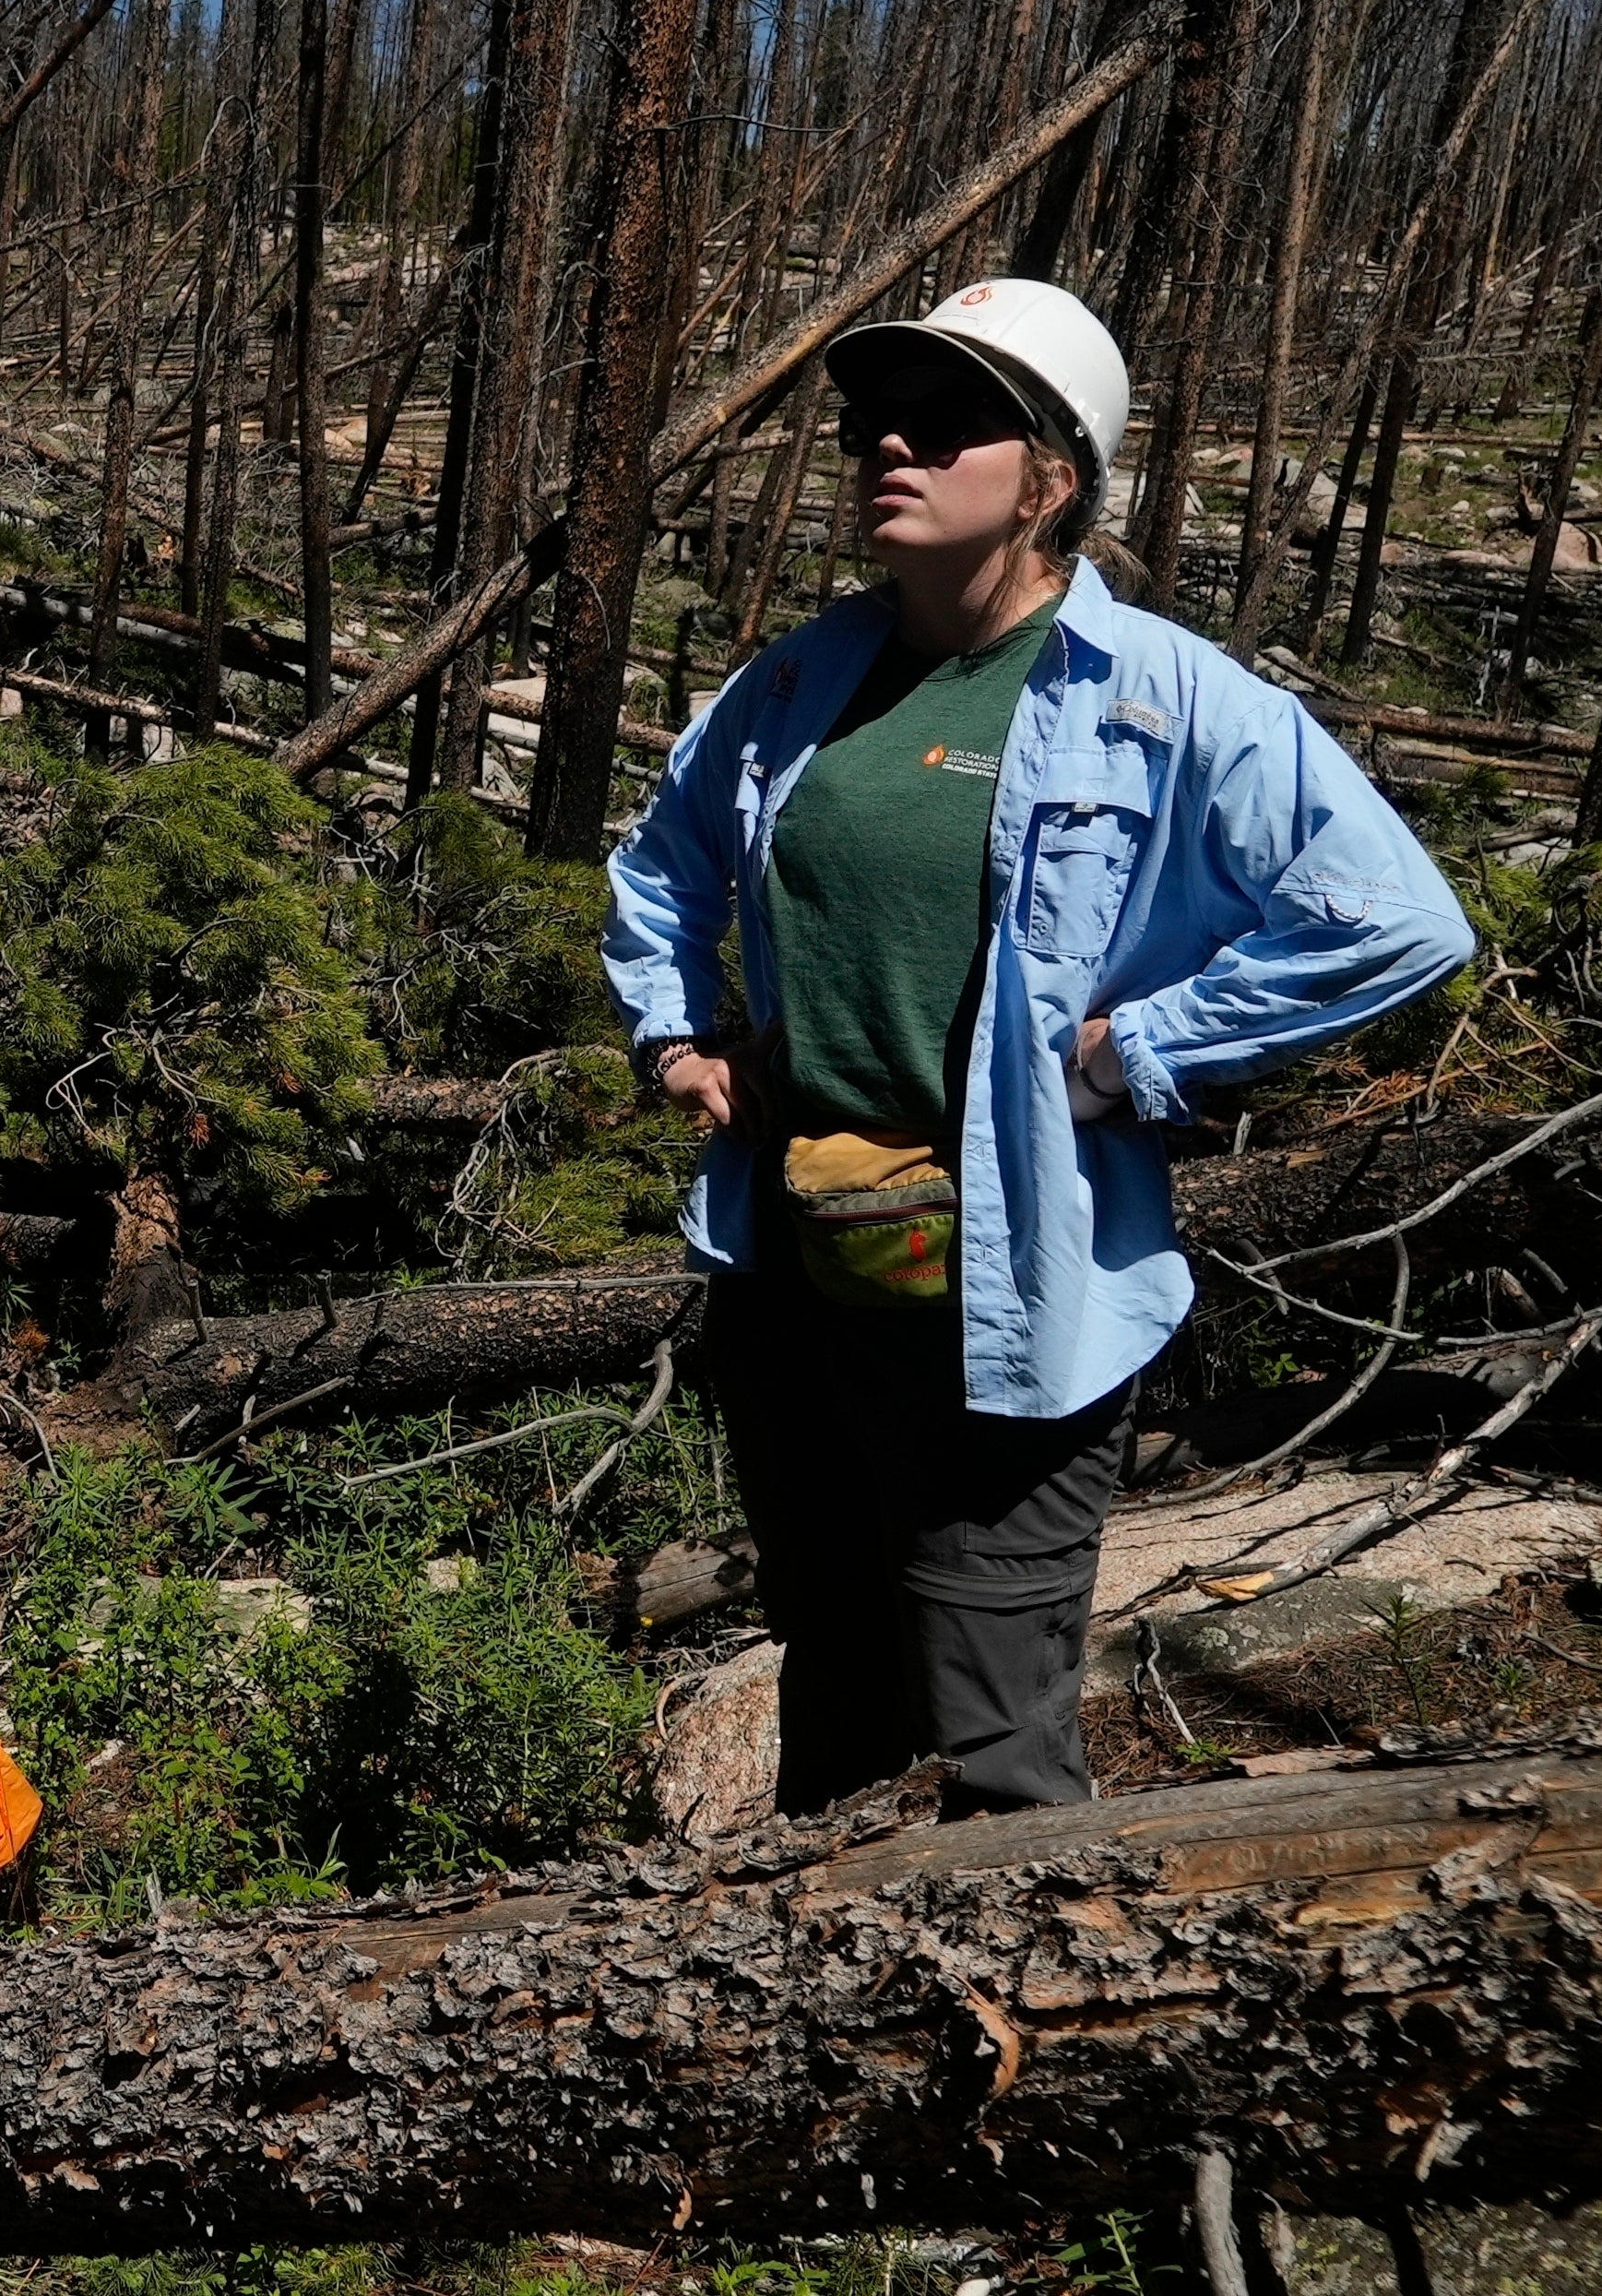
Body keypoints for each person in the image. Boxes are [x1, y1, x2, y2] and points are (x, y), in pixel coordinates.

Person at [604, 278, 1473, 1818]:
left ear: (1054, 477)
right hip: (793, 1265)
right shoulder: (801, 683)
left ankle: (1046, 2010)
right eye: (876, 422)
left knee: (994, 1728)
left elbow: (1391, 919)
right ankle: (795, 2014)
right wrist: (677, 1039)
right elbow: (664, 863)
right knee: (838, 1672)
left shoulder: (1161, 699)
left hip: (1004, 1285)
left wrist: (1137, 1053)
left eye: (947, 427)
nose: (892, 448)